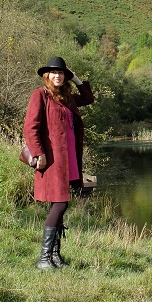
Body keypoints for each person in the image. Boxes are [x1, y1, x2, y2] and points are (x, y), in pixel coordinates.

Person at [23, 56, 95, 270]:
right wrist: (39, 153)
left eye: (61, 73)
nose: (57, 75)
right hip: (52, 160)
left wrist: (77, 78)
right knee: (60, 203)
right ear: (47, 75)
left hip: (69, 159)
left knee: (61, 204)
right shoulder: (40, 95)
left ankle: (55, 256)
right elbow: (30, 128)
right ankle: (44, 259)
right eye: (54, 72)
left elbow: (88, 98)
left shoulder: (67, 98)